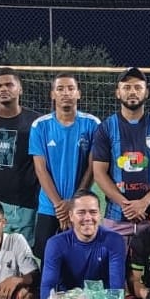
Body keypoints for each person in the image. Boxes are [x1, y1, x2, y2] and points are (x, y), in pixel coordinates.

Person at [91, 67, 150, 239]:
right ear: (118, 92)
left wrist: (145, 202)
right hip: (116, 218)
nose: (132, 92)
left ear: (146, 93)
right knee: (114, 266)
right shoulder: (106, 128)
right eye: (127, 87)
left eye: (138, 87)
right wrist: (126, 206)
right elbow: (99, 173)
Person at [29, 73, 100, 259]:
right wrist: (60, 206)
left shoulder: (92, 124)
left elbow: (93, 167)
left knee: (80, 257)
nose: (65, 93)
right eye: (60, 89)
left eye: (70, 88)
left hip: (80, 206)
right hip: (49, 206)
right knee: (47, 258)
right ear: (52, 94)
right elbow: (40, 169)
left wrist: (74, 202)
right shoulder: (40, 126)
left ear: (79, 93)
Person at [0, 67, 43, 246]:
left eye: (9, 84)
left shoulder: (35, 122)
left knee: (22, 261)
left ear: (20, 88)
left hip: (24, 205)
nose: (3, 89)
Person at [39, 190, 126, 299]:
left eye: (93, 212)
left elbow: (117, 290)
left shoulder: (114, 241)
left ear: (100, 215)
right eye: (81, 212)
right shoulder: (56, 244)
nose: (88, 218)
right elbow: (48, 287)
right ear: (71, 216)